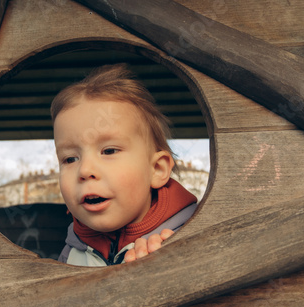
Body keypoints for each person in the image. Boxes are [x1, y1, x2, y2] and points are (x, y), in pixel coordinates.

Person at [52, 63, 197, 266]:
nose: (84, 170)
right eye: (70, 159)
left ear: (157, 169)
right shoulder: (71, 252)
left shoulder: (192, 237)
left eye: (109, 151)